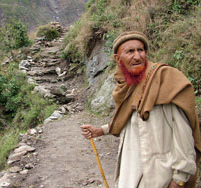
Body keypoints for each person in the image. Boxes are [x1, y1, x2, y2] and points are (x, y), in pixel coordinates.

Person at [81, 31, 201, 188]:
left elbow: (184, 138)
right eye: (130, 51)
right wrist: (100, 131)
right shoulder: (127, 87)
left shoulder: (164, 82)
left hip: (159, 178)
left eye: (141, 50)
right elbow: (128, 121)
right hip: (130, 176)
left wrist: (179, 179)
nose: (137, 56)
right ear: (118, 59)